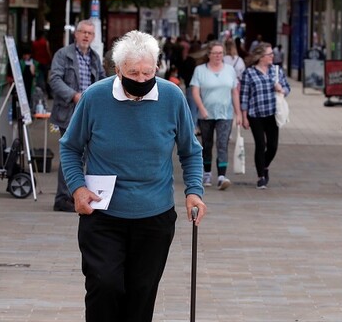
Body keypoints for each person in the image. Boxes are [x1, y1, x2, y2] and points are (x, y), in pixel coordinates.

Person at [60, 30, 206, 322]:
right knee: (105, 285)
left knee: (141, 293)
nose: (140, 80)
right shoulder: (95, 97)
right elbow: (70, 148)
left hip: (154, 216)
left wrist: (194, 190)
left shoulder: (172, 97)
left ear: (156, 68)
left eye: (147, 72)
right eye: (133, 73)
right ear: (118, 70)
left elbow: (191, 151)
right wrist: (77, 189)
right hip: (103, 214)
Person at [49, 19, 106, 212]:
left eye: (90, 33)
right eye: (83, 32)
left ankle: (77, 193)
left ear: (94, 37)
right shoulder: (63, 55)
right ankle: (63, 197)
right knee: (70, 153)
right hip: (67, 111)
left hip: (89, 113)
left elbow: (101, 80)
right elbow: (54, 79)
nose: (86, 36)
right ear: (76, 34)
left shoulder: (95, 58)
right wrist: (73, 95)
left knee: (85, 156)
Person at [191, 40, 242, 190]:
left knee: (222, 144)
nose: (218, 56)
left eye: (221, 53)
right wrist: (201, 108)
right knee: (207, 144)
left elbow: (234, 92)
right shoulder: (200, 70)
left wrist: (238, 113)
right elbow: (195, 91)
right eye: (215, 53)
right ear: (209, 54)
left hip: (225, 113)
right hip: (206, 114)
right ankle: (207, 174)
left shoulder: (229, 70)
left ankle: (221, 176)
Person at [240, 42, 291, 189]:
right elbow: (244, 96)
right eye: (270, 54)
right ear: (261, 57)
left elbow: (287, 88)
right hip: (255, 114)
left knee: (273, 145)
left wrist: (282, 89)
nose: (272, 56)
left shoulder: (276, 71)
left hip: (272, 113)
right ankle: (261, 176)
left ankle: (265, 165)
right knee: (260, 144)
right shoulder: (249, 73)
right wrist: (244, 116)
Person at [31, 31, 52, 98]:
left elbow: (33, 53)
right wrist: (50, 59)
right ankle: (49, 94)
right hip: (45, 62)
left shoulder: (34, 43)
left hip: (37, 62)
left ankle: (38, 92)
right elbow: (48, 52)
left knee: (37, 78)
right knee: (47, 79)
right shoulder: (45, 42)